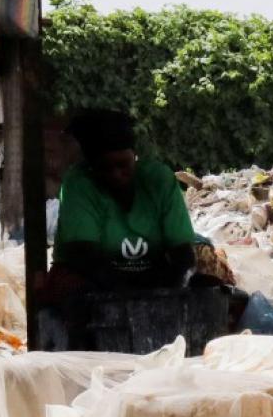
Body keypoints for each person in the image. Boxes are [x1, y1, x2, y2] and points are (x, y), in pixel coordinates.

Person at [49, 109, 204, 295]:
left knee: (208, 281)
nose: (116, 174)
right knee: (74, 292)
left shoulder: (159, 180)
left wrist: (173, 292)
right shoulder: (78, 184)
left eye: (123, 164)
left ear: (134, 158)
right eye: (104, 168)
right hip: (92, 276)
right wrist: (130, 297)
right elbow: (83, 256)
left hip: (152, 274)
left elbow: (183, 253)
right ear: (91, 167)